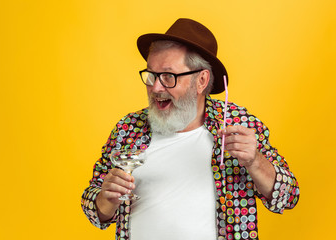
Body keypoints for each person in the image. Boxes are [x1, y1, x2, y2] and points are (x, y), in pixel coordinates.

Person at [81, 18, 300, 240]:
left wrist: (255, 161)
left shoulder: (238, 123)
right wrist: (105, 200)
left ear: (201, 80)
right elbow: (94, 208)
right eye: (151, 75)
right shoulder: (128, 128)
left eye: (168, 76)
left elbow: (288, 197)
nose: (156, 87)